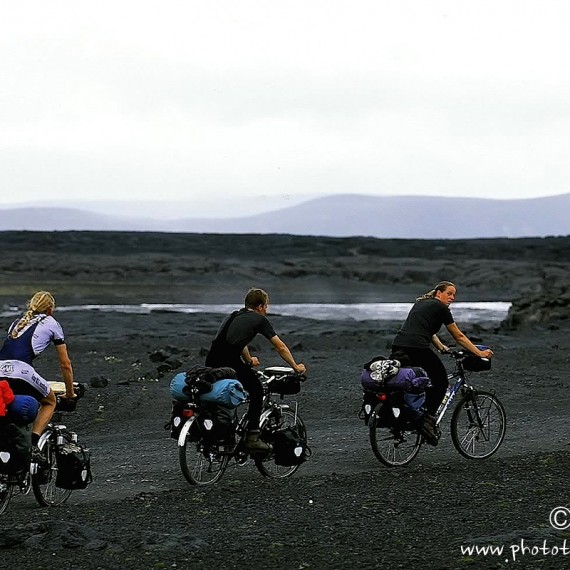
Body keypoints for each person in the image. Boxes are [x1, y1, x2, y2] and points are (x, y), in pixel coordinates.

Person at [391, 281, 493, 445]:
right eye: (449, 293)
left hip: (399, 345)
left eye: (454, 295)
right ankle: (428, 421)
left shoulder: (421, 303)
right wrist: (479, 353)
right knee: (441, 382)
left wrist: (441, 348)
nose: (452, 297)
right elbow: (458, 336)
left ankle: (410, 416)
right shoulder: (441, 308)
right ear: (439, 293)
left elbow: (427, 331)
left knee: (411, 380)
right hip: (417, 348)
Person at [205, 288, 306, 452]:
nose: (266, 310)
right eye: (266, 306)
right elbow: (280, 347)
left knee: (224, 393)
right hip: (229, 363)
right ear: (260, 306)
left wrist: (249, 360)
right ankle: (252, 437)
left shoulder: (232, 316)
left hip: (210, 361)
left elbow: (239, 341)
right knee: (257, 391)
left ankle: (226, 429)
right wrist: (295, 366)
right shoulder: (259, 320)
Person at [0, 291, 75, 452]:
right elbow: (65, 364)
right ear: (50, 310)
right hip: (22, 371)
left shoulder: (17, 323)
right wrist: (69, 394)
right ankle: (33, 443)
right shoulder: (51, 322)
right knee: (50, 401)